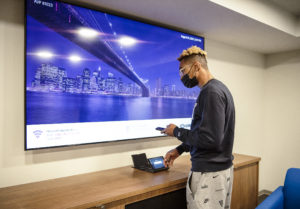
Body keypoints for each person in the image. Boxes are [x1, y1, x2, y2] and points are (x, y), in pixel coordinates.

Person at [162, 46, 235, 209]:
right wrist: (180, 150)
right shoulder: (218, 89)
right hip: (217, 171)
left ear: (196, 66)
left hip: (209, 174)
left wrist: (176, 131)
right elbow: (204, 133)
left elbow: (210, 139)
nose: (181, 76)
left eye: (183, 71)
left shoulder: (211, 92)